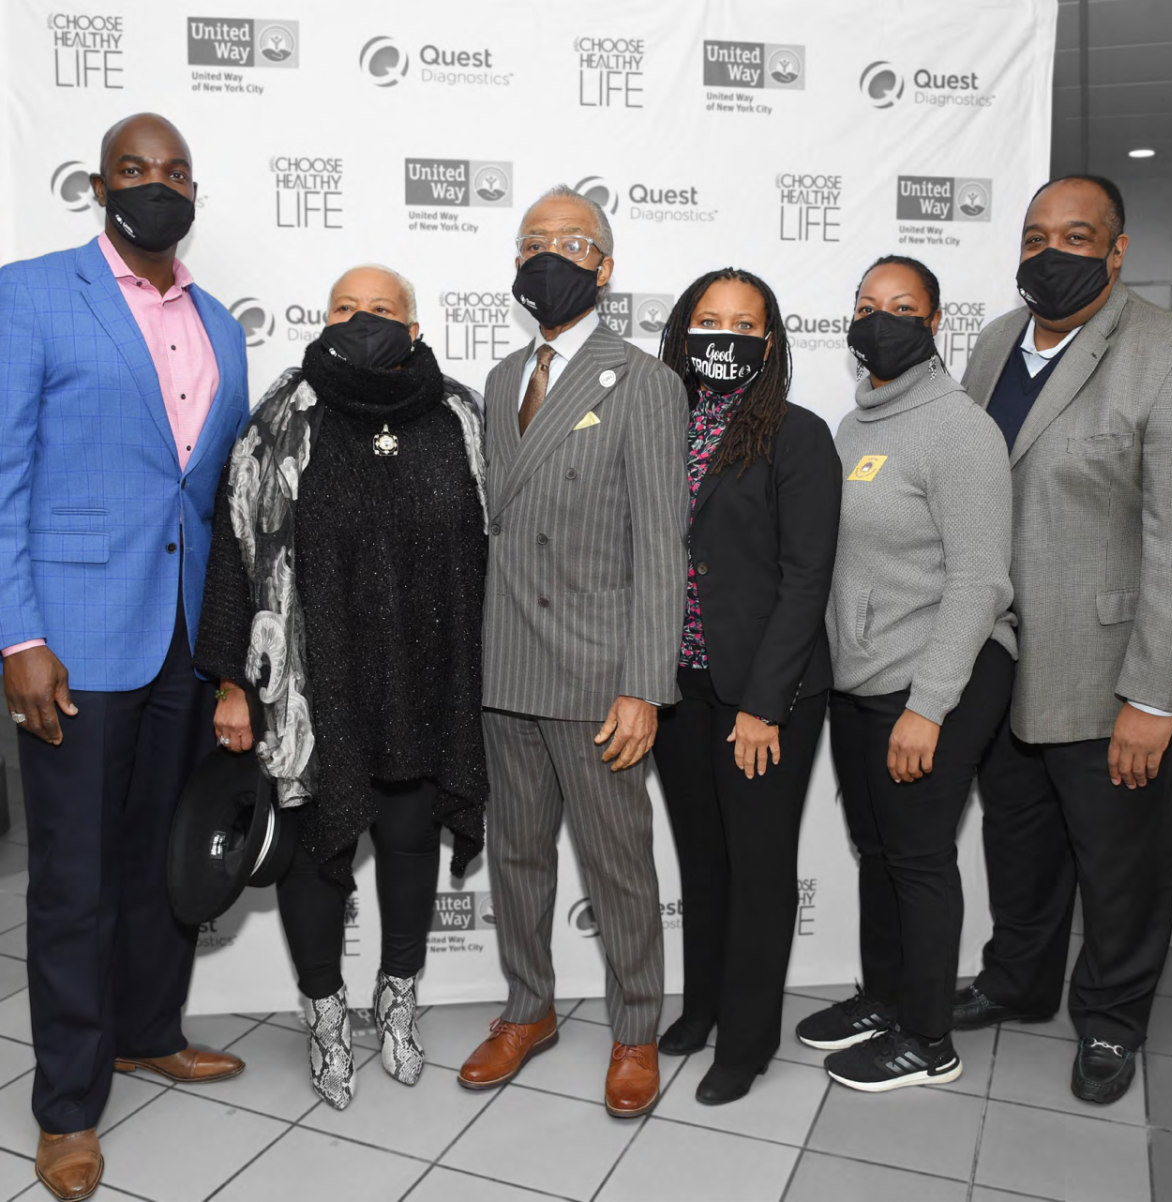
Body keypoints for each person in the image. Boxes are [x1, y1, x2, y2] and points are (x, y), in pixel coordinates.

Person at [0, 113, 249, 1199]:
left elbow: (214, 493)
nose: (159, 185)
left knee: (163, 858)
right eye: (137, 170)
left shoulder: (220, 326)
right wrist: (20, 633)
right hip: (77, 638)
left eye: (176, 170)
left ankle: (150, 1029)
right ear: (100, 186)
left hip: (185, 637)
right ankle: (66, 1103)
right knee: (73, 877)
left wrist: (232, 648)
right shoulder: (33, 292)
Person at [194, 264, 488, 1110]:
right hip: (315, 689)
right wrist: (232, 683)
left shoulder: (458, 419)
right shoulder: (280, 423)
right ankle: (325, 1012)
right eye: (344, 310)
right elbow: (237, 553)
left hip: (426, 681)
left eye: (382, 311)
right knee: (316, 854)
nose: (362, 322)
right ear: (320, 322)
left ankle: (397, 999)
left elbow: (491, 552)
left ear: (417, 328)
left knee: (405, 840)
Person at [955, 175, 1172, 1105]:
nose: (1050, 252)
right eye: (1034, 235)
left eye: (1077, 234)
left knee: (1120, 862)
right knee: (1020, 846)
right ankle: (1018, 981)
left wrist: (1155, 697)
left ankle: (1111, 1016)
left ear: (1117, 249)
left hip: (1109, 675)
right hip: (1002, 663)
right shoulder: (988, 347)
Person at [457, 185, 688, 1118]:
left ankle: (635, 1027)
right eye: (532, 242)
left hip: (598, 676)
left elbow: (662, 548)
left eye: (570, 240)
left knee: (616, 863)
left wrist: (643, 685)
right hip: (507, 666)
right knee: (515, 856)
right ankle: (529, 1008)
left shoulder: (643, 381)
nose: (548, 255)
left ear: (605, 265)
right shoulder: (504, 379)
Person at [796, 255, 1017, 1093]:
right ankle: (885, 998)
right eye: (864, 304)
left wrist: (929, 707)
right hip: (864, 681)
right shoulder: (856, 427)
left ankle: (929, 1039)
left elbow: (978, 580)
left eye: (901, 306)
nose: (878, 319)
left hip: (939, 678)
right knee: (877, 850)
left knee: (919, 856)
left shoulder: (960, 430)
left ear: (934, 324)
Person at [651, 269, 840, 1104]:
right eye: (707, 320)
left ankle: (749, 1040)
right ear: (683, 333)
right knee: (702, 860)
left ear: (769, 341)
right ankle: (703, 1009)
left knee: (759, 866)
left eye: (744, 323)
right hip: (680, 686)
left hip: (767, 696)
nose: (723, 336)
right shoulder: (660, 426)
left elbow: (807, 580)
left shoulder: (796, 436)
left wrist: (765, 705)